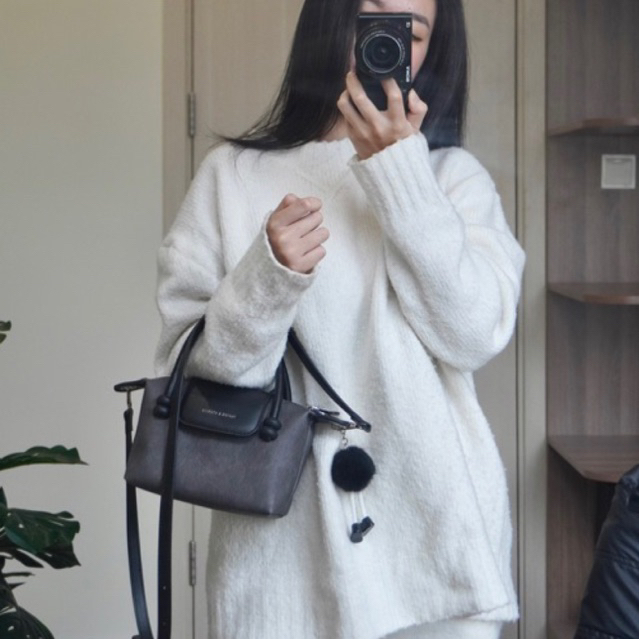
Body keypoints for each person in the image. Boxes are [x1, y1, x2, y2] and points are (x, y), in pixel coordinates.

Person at [154, 0, 525, 637]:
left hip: (434, 554)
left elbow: (473, 335)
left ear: (432, 54)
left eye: (410, 32)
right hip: (277, 564)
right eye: (370, 18)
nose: (386, 42)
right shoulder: (232, 177)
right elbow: (186, 373)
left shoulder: (454, 179)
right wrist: (268, 276)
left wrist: (399, 171)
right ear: (327, 20)